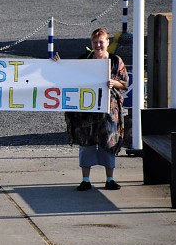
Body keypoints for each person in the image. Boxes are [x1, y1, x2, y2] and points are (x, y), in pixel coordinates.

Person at [54, 28, 129, 191]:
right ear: (91, 44)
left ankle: (110, 179)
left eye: (101, 42)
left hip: (109, 111)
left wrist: (113, 83)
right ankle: (85, 180)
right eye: (95, 42)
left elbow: (124, 83)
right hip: (86, 112)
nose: (98, 45)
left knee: (109, 142)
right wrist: (57, 64)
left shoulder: (116, 61)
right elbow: (69, 74)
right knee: (86, 143)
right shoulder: (84, 59)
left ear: (107, 43)